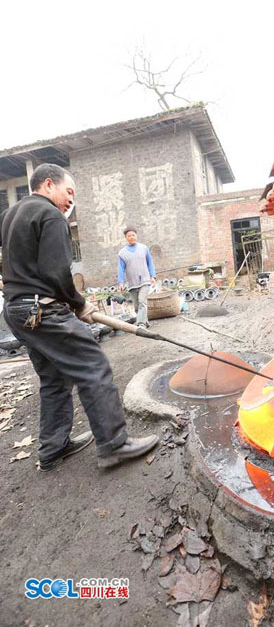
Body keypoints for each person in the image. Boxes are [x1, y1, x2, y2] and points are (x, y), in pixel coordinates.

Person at [0, 163, 159, 471]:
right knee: (93, 366)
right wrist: (78, 304)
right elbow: (57, 272)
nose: (71, 200)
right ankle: (114, 444)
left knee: (54, 378)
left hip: (17, 311)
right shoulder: (50, 215)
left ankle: (53, 447)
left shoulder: (9, 216)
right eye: (68, 191)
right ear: (48, 185)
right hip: (42, 310)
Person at [118, 228, 156, 328]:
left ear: (136, 235)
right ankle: (145, 322)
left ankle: (141, 324)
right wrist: (121, 282)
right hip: (132, 283)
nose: (131, 237)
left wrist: (153, 276)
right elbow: (121, 269)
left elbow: (150, 263)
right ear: (126, 238)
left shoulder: (144, 248)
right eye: (129, 236)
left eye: (133, 235)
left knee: (142, 300)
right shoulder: (122, 253)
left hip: (145, 280)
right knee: (136, 306)